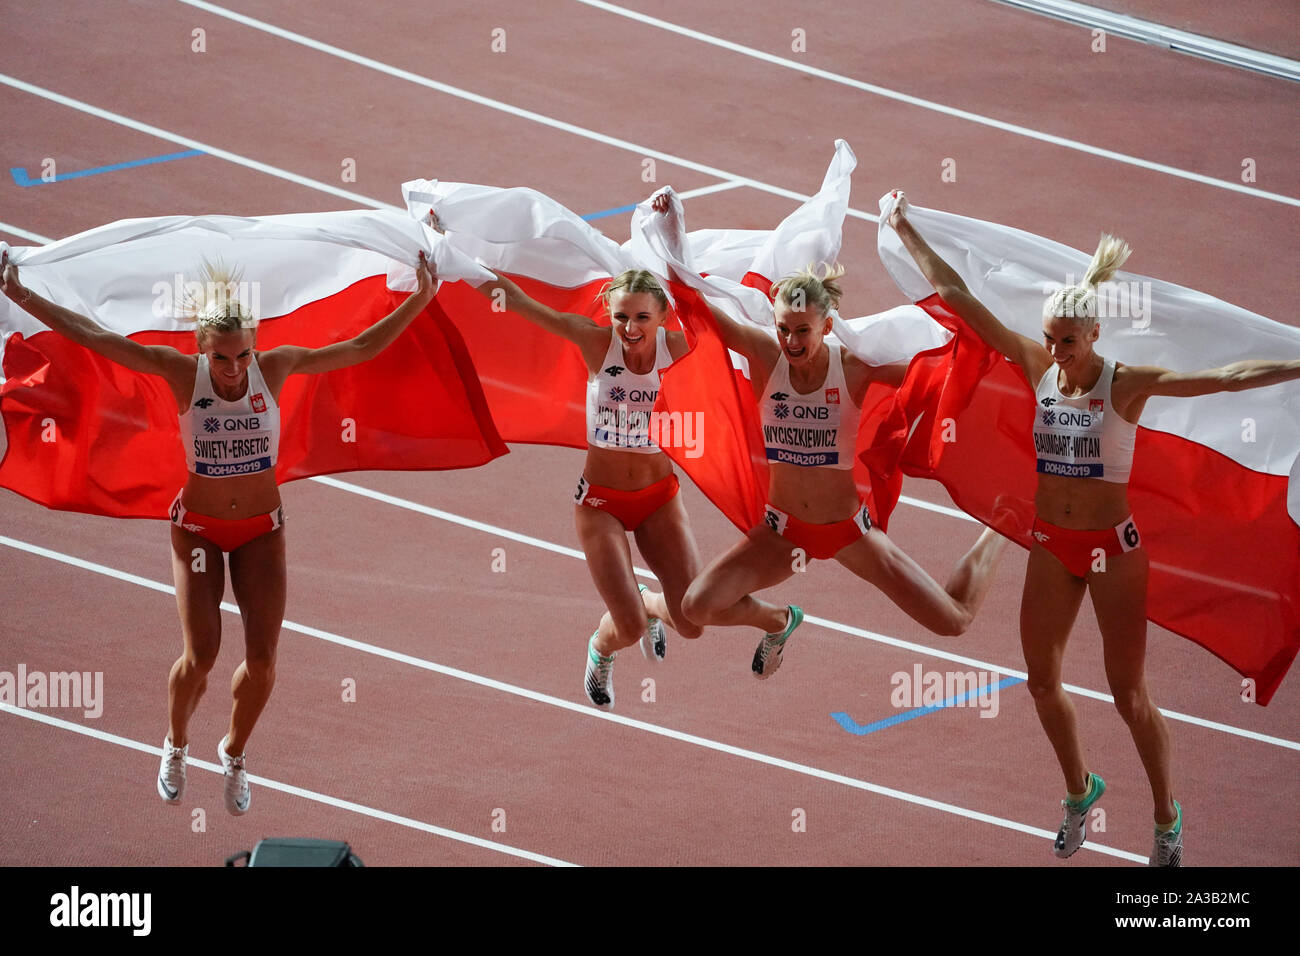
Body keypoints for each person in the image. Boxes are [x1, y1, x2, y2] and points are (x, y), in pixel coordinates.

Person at [886, 189, 1300, 866]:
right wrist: (905, 226)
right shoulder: (1039, 367)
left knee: (1128, 694)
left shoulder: (1126, 384)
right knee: (1040, 680)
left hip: (1114, 550)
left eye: (1068, 342)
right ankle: (1080, 793)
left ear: (1095, 336)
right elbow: (957, 295)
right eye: (1051, 340)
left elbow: (1225, 378)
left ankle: (1166, 817)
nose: (1057, 352)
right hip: (1053, 544)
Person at [1, 249, 438, 814]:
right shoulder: (184, 374)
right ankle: (175, 744)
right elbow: (97, 337)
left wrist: (421, 300)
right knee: (201, 654)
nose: (232, 370)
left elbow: (357, 349)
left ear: (253, 347)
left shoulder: (273, 369)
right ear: (201, 349)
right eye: (221, 357)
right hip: (200, 532)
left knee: (262, 660)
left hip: (260, 532)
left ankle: (233, 752)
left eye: (241, 356)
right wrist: (21, 295)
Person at [645, 194, 1006, 680]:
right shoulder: (764, 356)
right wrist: (671, 227)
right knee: (696, 605)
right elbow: (695, 308)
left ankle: (998, 527)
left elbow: (941, 377)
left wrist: (999, 360)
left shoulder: (853, 368)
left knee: (952, 621)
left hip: (848, 532)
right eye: (784, 329)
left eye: (803, 331)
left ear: (827, 326)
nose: (792, 342)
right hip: (780, 533)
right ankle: (778, 621)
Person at [464, 255, 703, 711]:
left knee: (692, 620)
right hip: (601, 502)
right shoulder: (597, 344)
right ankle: (601, 648)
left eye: (641, 318)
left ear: (663, 316)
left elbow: (738, 334)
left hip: (659, 499)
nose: (629, 328)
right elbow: (518, 303)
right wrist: (459, 262)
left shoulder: (682, 348)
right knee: (628, 627)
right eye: (620, 317)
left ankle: (654, 604)